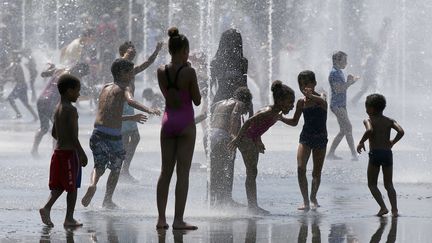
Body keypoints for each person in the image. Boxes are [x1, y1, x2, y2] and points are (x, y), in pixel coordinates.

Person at [81, 58, 149, 209]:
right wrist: (148, 109)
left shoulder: (105, 88)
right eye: (130, 72)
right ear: (121, 73)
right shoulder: (125, 88)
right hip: (113, 137)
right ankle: (107, 200)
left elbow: (108, 115)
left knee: (98, 166)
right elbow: (131, 101)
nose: (132, 74)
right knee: (116, 168)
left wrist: (131, 117)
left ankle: (92, 185)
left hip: (97, 133)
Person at [156, 27, 201, 230]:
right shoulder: (189, 72)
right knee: (183, 174)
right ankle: (178, 220)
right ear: (184, 50)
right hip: (185, 123)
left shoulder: (161, 71)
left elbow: (168, 94)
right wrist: (192, 75)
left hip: (168, 122)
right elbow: (197, 100)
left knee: (165, 172)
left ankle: (161, 219)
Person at [229, 80, 295, 215]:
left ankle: (253, 206)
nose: (292, 106)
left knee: (252, 172)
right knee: (251, 172)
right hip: (245, 139)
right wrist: (237, 139)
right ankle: (252, 207)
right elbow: (248, 122)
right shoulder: (269, 111)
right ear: (281, 101)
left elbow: (257, 127)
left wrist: (258, 140)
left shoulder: (276, 113)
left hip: (251, 139)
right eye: (290, 102)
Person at [39, 74, 88, 227]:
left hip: (58, 153)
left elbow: (54, 133)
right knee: (72, 188)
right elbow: (74, 136)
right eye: (77, 91)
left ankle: (46, 208)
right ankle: (69, 219)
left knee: (60, 185)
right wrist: (81, 153)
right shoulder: (71, 110)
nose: (79, 94)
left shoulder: (57, 108)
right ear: (68, 91)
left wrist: (63, 136)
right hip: (69, 154)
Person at [280, 71, 328, 211]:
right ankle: (305, 201)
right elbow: (295, 121)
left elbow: (323, 102)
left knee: (316, 172)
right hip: (306, 137)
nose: (305, 87)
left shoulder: (322, 96)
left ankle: (313, 197)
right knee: (301, 168)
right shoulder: (301, 102)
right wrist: (282, 119)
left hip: (320, 137)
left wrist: (311, 95)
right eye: (301, 85)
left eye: (307, 83)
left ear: (314, 83)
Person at [119, 41, 163, 182]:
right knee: (127, 139)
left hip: (128, 105)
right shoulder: (120, 67)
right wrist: (148, 110)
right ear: (123, 53)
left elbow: (148, 63)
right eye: (130, 50)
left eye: (134, 50)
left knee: (131, 138)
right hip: (124, 105)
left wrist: (156, 51)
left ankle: (122, 171)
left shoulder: (130, 70)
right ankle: (121, 172)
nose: (133, 52)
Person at [357, 94, 404, 217]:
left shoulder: (368, 120)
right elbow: (401, 131)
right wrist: (393, 142)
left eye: (366, 107)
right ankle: (395, 210)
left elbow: (369, 130)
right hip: (387, 154)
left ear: (371, 109)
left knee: (372, 184)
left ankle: (383, 207)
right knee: (389, 184)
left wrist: (361, 142)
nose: (366, 110)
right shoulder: (390, 121)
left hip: (375, 154)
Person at [31, 63, 89, 157]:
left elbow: (43, 74)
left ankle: (34, 150)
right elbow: (82, 91)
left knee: (44, 127)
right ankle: (54, 152)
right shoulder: (71, 78)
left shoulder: (60, 69)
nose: (81, 77)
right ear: (80, 71)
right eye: (82, 75)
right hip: (51, 103)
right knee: (58, 128)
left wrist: (51, 68)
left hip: (41, 100)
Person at [208, 87, 252, 207]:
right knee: (227, 167)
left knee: (214, 169)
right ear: (246, 100)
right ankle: (226, 199)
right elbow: (235, 115)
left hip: (209, 136)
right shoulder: (239, 103)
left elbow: (207, 116)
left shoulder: (219, 103)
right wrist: (234, 137)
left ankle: (212, 201)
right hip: (222, 136)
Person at [210, 29, 252, 117]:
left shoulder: (242, 62)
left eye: (234, 43)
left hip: (235, 104)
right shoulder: (216, 62)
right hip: (224, 103)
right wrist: (211, 104)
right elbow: (209, 86)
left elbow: (244, 86)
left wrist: (249, 105)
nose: (232, 46)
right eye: (230, 43)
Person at [327, 51, 359, 161]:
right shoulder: (334, 73)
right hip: (337, 105)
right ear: (336, 60)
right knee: (348, 127)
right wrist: (350, 82)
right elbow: (338, 89)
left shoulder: (339, 72)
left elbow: (342, 87)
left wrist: (350, 82)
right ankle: (354, 154)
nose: (346, 62)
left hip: (341, 104)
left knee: (344, 130)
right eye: (344, 60)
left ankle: (331, 153)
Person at [5, 51, 38, 120]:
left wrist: (6, 79)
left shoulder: (17, 66)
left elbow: (18, 78)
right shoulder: (16, 65)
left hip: (20, 86)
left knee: (10, 99)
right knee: (26, 103)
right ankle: (35, 116)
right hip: (22, 86)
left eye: (12, 56)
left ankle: (19, 114)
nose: (11, 57)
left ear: (15, 57)